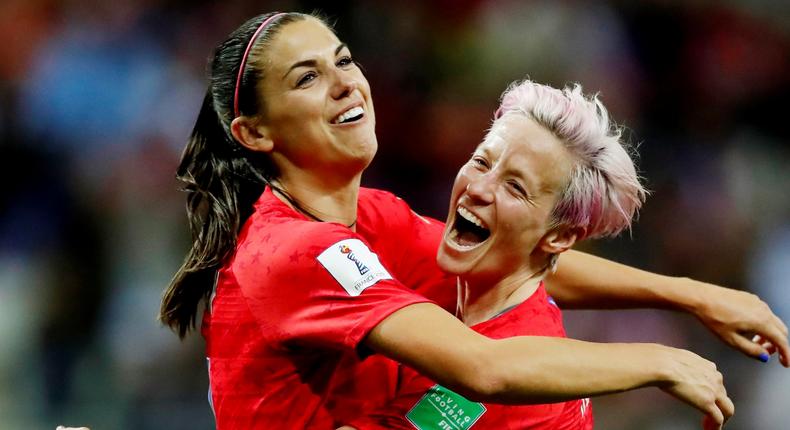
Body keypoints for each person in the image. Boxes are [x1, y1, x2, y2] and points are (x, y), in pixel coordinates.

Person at [158, 11, 787, 430]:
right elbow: (483, 369)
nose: (345, 84)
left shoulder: (368, 220)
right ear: (254, 133)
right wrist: (662, 358)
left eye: (344, 61)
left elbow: (525, 269)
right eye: (308, 78)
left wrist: (696, 296)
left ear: (558, 232)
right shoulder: (304, 251)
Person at [342, 79, 641, 429]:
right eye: (482, 162)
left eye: (515, 186)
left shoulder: (521, 390)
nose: (478, 188)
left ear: (559, 237)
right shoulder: (435, 253)